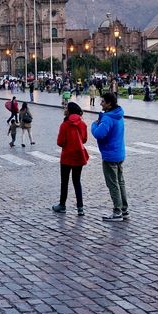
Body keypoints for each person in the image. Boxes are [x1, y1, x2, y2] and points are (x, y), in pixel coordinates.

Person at [91, 92, 128, 222]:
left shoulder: (107, 118)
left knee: (113, 184)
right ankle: (124, 209)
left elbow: (99, 134)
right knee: (120, 182)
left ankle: (117, 211)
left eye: (103, 101)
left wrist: (94, 125)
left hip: (110, 155)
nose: (100, 103)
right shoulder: (118, 115)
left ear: (109, 103)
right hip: (119, 152)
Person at [53, 102, 89, 215]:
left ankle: (62, 205)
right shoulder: (82, 124)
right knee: (77, 181)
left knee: (64, 182)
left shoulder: (65, 124)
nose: (64, 108)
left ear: (69, 111)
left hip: (67, 156)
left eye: (66, 107)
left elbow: (60, 142)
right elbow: (84, 140)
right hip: (79, 155)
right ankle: (80, 208)